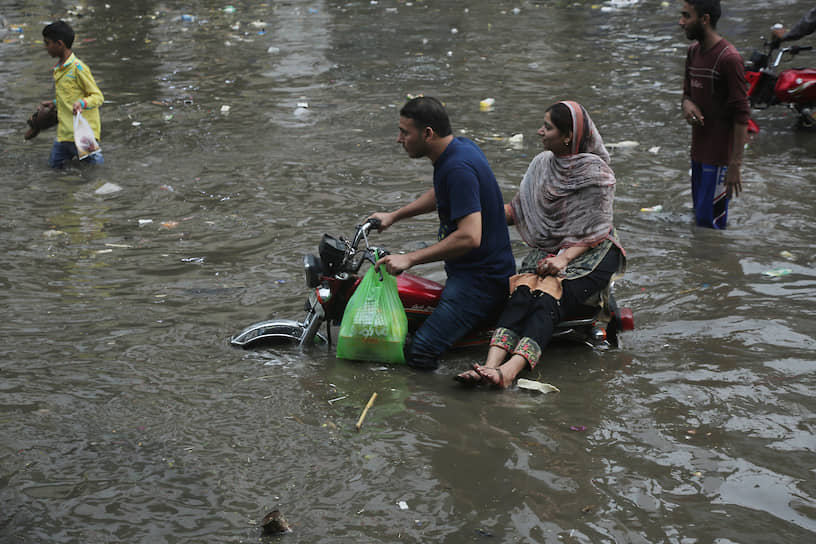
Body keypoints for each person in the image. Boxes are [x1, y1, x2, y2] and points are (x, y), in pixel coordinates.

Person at [455, 101, 625, 389]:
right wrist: (475, 219)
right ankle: (489, 366)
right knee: (521, 291)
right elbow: (519, 210)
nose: (540, 132)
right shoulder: (542, 164)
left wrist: (563, 260)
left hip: (593, 252)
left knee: (548, 294)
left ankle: (509, 373)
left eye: (547, 127)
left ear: (568, 136)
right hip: (552, 248)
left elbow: (595, 230)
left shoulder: (598, 174)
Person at [370, 96, 516, 371]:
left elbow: (469, 236)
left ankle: (433, 409)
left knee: (420, 352)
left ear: (427, 133)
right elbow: (441, 192)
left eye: (405, 132)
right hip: (472, 275)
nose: (399, 139)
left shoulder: (457, 166)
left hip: (480, 284)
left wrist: (410, 258)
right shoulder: (457, 150)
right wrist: (394, 216)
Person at [679, 0, 749, 230]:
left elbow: (741, 115)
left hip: (719, 160)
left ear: (705, 19)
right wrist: (687, 105)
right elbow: (686, 94)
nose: (681, 23)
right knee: (699, 219)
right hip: (698, 153)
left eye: (686, 16)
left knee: (712, 226)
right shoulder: (693, 52)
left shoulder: (729, 59)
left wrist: (735, 165)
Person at [42, 20, 104, 168]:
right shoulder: (59, 69)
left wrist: (82, 103)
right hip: (64, 134)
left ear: (59, 44)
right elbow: (68, 96)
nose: (46, 47)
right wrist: (55, 103)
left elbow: (98, 96)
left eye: (47, 43)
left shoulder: (78, 68)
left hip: (83, 134)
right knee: (54, 168)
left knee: (96, 170)